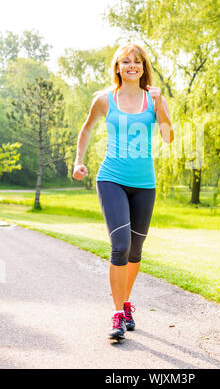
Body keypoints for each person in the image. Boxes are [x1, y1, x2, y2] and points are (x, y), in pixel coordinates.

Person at [73, 43, 174, 341]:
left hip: (145, 184)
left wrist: (162, 106)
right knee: (120, 245)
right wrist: (78, 160)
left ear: (144, 68)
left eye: (137, 61)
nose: (132, 65)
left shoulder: (154, 100)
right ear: (117, 67)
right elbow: (87, 128)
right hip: (111, 179)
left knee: (135, 252)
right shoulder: (105, 100)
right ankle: (118, 313)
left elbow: (168, 138)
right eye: (126, 61)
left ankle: (126, 302)